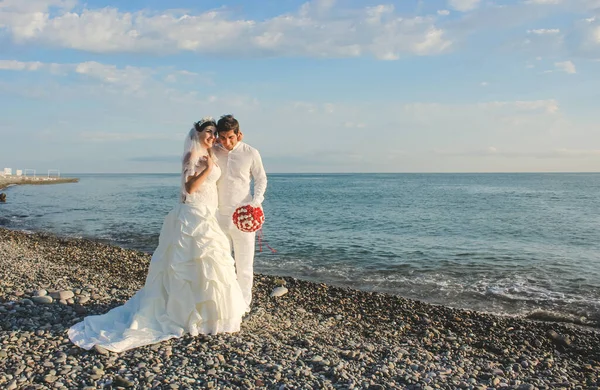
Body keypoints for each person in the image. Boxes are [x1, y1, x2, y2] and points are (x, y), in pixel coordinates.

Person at [68, 117, 247, 352]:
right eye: (208, 132)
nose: (212, 136)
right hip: (194, 213)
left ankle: (211, 316)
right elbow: (189, 189)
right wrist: (210, 170)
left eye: (214, 132)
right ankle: (186, 313)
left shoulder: (210, 153)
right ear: (197, 134)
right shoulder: (192, 156)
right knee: (191, 263)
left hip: (208, 212)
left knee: (211, 263)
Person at [213, 115, 267, 308]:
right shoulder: (214, 151)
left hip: (243, 217)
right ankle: (225, 302)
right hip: (218, 216)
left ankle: (243, 304)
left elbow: (261, 179)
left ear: (239, 135)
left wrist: (256, 201)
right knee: (223, 262)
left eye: (231, 137)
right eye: (222, 137)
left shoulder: (251, 153)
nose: (226, 142)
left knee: (244, 265)